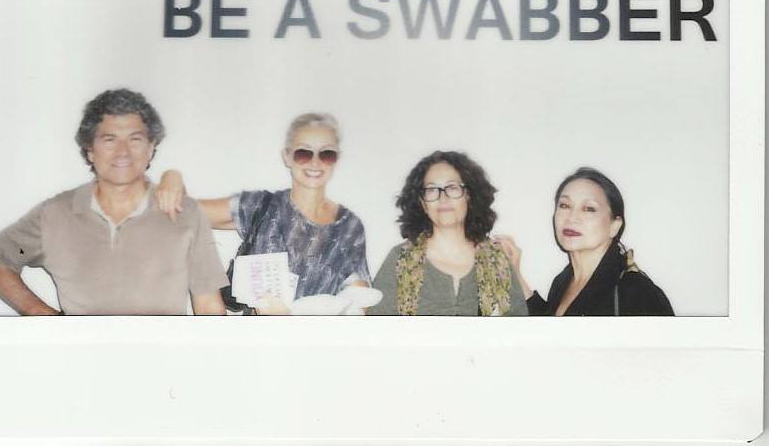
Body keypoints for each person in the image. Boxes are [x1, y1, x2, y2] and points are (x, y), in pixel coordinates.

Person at [0, 88, 228, 316]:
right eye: (109, 139)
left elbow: (209, 307)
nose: (123, 152)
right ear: (90, 150)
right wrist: (40, 314)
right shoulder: (54, 215)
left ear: (151, 148)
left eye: (135, 139)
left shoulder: (185, 214)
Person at [157, 113, 371, 315]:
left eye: (327, 154)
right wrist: (172, 177)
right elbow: (182, 213)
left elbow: (360, 306)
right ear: (287, 156)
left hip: (314, 339)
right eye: (303, 153)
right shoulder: (262, 205)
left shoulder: (350, 227)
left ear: (337, 158)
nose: (315, 163)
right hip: (254, 338)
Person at [368, 151, 528, 316]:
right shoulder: (400, 259)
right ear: (423, 203)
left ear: (468, 196)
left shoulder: (497, 260)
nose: (443, 198)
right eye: (431, 189)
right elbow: (375, 328)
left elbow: (520, 328)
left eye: (452, 187)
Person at [501, 167, 673, 316]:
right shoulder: (561, 282)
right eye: (565, 205)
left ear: (615, 226)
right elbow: (551, 333)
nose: (572, 218)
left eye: (589, 209)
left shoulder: (636, 292)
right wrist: (515, 276)